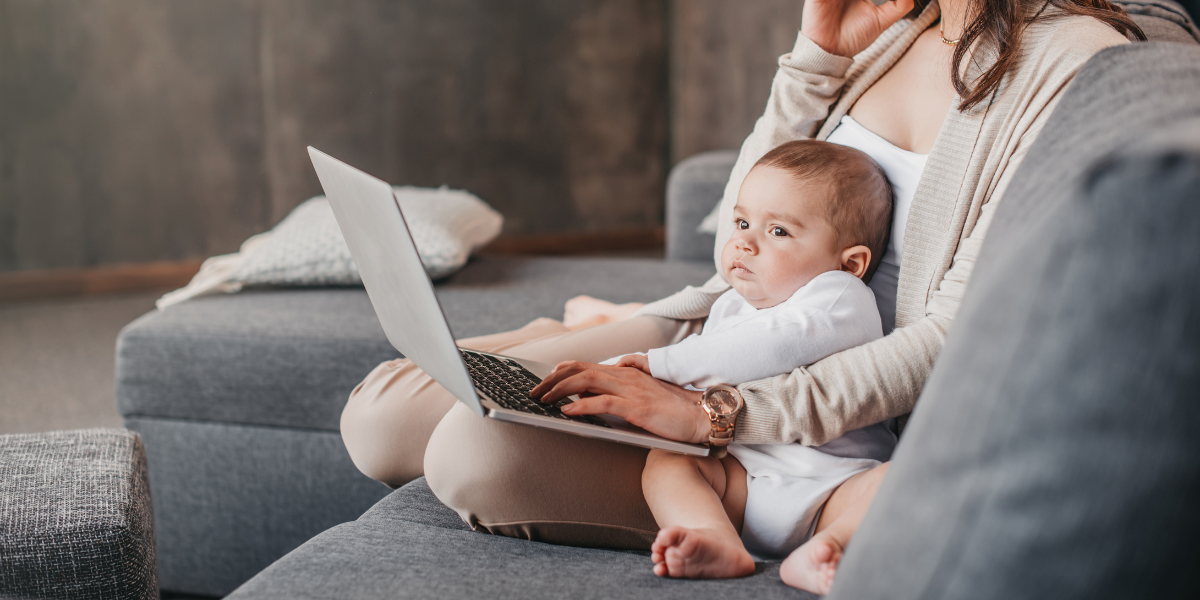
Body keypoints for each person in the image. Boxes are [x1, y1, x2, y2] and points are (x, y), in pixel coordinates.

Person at [341, 0, 1143, 575]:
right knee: (379, 418)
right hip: (718, 329)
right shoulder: (897, 24)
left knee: (469, 450)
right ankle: (599, 323)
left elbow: (947, 340)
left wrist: (711, 413)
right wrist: (818, 54)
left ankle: (599, 336)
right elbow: (742, 218)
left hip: (812, 411)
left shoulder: (1075, 58)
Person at [602, 138, 896, 583]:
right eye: (741, 222)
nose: (744, 243)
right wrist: (613, 389)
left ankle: (827, 547)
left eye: (778, 231)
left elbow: (767, 348)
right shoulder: (732, 306)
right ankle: (712, 534)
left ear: (850, 263)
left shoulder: (840, 296)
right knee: (670, 461)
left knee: (898, 480)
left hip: (835, 486)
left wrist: (657, 363)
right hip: (743, 478)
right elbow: (694, 390)